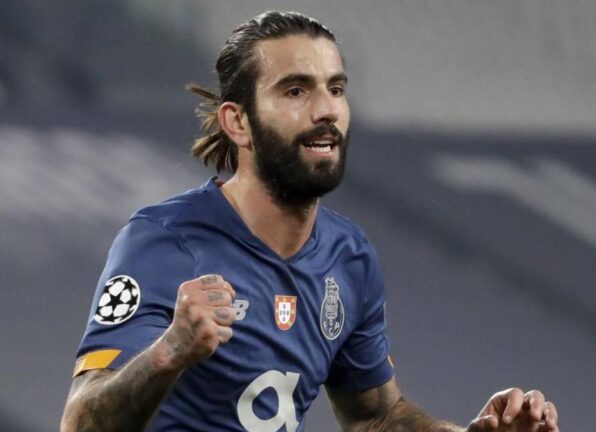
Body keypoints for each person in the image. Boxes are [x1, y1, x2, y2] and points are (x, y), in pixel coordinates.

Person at [60, 11, 560, 432]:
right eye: (296, 91)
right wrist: (168, 352)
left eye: (335, 89)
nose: (326, 110)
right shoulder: (165, 241)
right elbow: (80, 423)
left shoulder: (349, 256)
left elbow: (376, 417)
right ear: (238, 122)